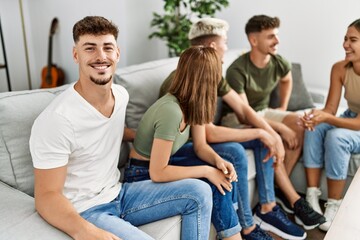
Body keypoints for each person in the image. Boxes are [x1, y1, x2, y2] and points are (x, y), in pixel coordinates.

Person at [29, 16, 214, 240]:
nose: (101, 56)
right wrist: (85, 231)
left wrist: (145, 136)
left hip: (120, 192)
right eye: (90, 48)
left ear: (117, 53)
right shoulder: (56, 120)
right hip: (88, 210)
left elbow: (107, 129)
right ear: (76, 55)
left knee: (200, 191)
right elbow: (46, 196)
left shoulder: (120, 95)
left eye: (108, 48)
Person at [159, 18, 322, 240]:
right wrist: (260, 132)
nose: (227, 47)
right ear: (213, 47)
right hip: (182, 148)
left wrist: (271, 133)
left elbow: (244, 110)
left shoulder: (213, 73)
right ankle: (248, 226)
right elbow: (206, 135)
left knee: (261, 138)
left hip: (199, 141)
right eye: (225, 42)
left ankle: (268, 208)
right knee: (237, 150)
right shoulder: (189, 78)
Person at [125, 45, 244, 240]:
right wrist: (207, 171)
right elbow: (158, 172)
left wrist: (217, 162)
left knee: (222, 174)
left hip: (161, 166)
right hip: (141, 175)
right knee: (212, 182)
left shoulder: (193, 105)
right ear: (207, 79)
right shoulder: (171, 111)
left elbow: (200, 146)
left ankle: (234, 231)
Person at [224, 14, 304, 176]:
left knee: (299, 123)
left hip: (262, 111)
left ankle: (281, 183)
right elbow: (245, 116)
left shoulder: (279, 62)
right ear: (254, 41)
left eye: (277, 35)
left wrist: (282, 107)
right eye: (270, 37)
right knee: (271, 133)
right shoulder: (237, 70)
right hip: (236, 117)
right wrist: (280, 126)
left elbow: (286, 80)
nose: (277, 41)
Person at [301, 18, 360, 232]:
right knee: (314, 127)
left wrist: (327, 118)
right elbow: (330, 109)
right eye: (345, 39)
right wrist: (316, 116)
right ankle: (311, 196)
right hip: (349, 116)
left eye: (352, 40)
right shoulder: (340, 68)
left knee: (337, 137)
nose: (345, 44)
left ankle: (333, 205)